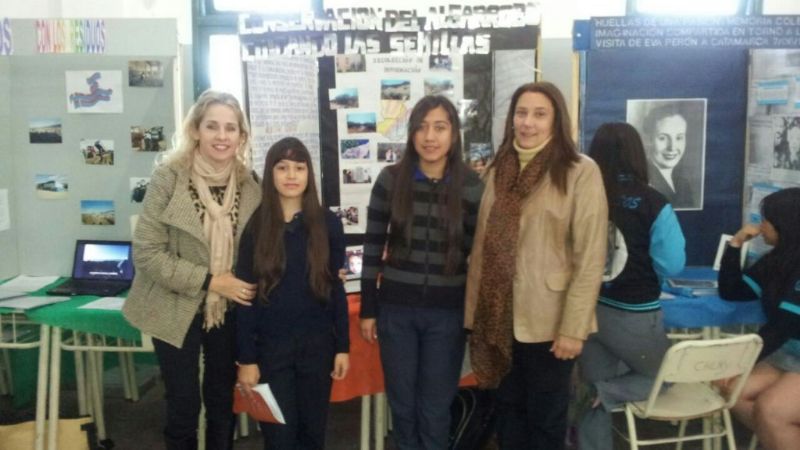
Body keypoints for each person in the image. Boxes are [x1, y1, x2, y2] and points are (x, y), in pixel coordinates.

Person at [464, 81, 608, 450]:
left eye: (539, 114)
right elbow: (482, 247)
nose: (528, 123)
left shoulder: (579, 171)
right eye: (521, 113)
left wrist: (574, 328)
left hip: (550, 322)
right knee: (509, 416)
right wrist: (473, 315)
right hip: (498, 318)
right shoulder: (497, 169)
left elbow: (590, 256)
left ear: (556, 120)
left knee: (545, 421)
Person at [122, 90, 262, 450]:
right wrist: (211, 281)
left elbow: (267, 247)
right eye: (212, 126)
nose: (221, 136)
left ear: (241, 137)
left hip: (227, 310)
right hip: (173, 304)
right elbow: (147, 253)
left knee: (221, 401)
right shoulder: (169, 178)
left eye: (231, 128)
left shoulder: (251, 185)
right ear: (196, 130)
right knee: (183, 404)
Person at [359, 95, 484, 450]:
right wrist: (369, 308)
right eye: (422, 127)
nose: (430, 137)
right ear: (412, 133)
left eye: (440, 127)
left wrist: (476, 317)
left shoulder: (472, 186)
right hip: (396, 313)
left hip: (448, 316)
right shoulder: (390, 180)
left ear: (454, 135)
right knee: (402, 407)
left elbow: (481, 257)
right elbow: (371, 248)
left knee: (434, 409)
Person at [576, 122, 686, 450]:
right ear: (639, 154)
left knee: (593, 386)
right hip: (634, 315)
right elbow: (672, 263)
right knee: (665, 377)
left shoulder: (582, 195)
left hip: (586, 311)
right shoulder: (653, 202)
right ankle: (601, 394)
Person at [235, 137, 349, 449]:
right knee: (280, 437)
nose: (291, 175)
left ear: (309, 174)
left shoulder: (329, 224)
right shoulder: (257, 227)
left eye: (299, 168)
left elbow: (335, 287)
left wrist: (343, 346)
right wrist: (246, 358)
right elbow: (245, 297)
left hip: (317, 347)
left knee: (313, 434)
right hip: (271, 352)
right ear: (270, 174)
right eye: (282, 167)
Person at [717, 187, 800, 450]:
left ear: (785, 225)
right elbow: (732, 291)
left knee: (770, 410)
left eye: (766, 220)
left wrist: (736, 363)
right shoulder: (777, 259)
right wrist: (736, 244)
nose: (760, 226)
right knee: (731, 391)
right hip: (786, 356)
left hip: (790, 353)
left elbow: (783, 325)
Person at [641, 103, 695, 209]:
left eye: (679, 138)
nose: (672, 147)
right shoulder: (644, 181)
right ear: (649, 140)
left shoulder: (683, 184)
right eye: (663, 138)